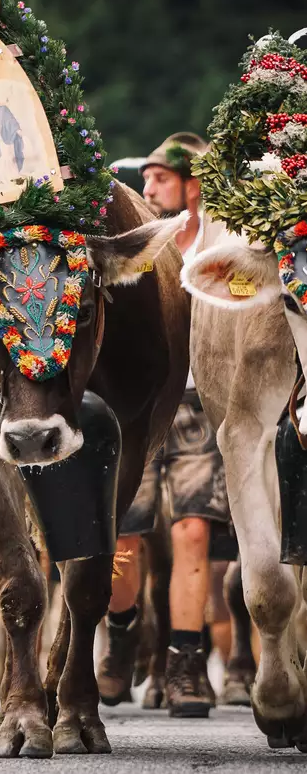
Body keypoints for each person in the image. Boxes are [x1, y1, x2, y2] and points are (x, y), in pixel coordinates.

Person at [96, 132, 230, 718]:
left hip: (198, 405)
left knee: (193, 533)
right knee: (124, 537)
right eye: (145, 178)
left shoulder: (219, 239)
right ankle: (122, 635)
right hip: (140, 404)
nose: (146, 188)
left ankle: (185, 663)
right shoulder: (135, 242)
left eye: (160, 179)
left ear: (191, 185)